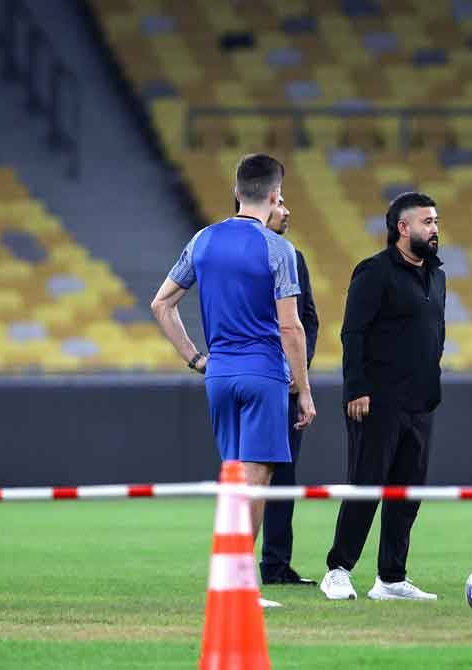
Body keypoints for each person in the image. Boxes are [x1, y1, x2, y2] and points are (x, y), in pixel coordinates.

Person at [151, 153, 317, 609]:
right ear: (275, 196)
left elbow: (161, 304)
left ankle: (228, 578)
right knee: (256, 480)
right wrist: (303, 389)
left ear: (237, 193)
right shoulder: (278, 249)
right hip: (263, 372)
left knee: (233, 478)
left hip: (219, 372)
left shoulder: (203, 239)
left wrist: (194, 358)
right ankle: (241, 584)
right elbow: (291, 327)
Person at [320, 192, 446, 602]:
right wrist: (356, 388)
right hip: (377, 401)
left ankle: (391, 578)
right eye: (427, 222)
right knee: (366, 486)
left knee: (407, 494)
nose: (435, 228)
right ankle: (337, 570)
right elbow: (352, 333)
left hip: (420, 402)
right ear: (402, 228)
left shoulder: (436, 274)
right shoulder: (373, 272)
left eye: (436, 221)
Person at [257, 195, 320, 586]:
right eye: (279, 202)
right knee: (248, 475)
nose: (287, 209)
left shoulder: (292, 257)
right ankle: (238, 566)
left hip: (287, 385)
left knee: (283, 475)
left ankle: (276, 566)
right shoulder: (234, 254)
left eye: (286, 201)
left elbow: (307, 320)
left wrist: (301, 370)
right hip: (254, 378)